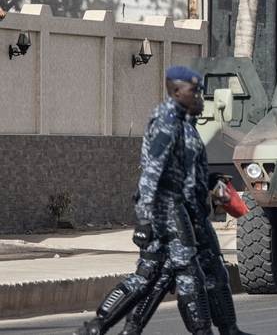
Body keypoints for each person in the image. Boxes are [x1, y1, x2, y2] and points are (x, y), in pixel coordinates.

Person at [75, 66, 214, 335]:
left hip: (174, 206)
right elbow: (152, 171)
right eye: (193, 90)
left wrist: (195, 210)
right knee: (183, 273)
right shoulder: (167, 121)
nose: (198, 95)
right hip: (164, 207)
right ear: (176, 91)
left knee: (153, 273)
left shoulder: (182, 121)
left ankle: (103, 327)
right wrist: (146, 219)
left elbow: (186, 173)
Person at [118, 91, 251, 335]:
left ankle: (229, 328)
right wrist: (159, 218)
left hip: (193, 215)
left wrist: (211, 182)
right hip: (175, 216)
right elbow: (165, 179)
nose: (201, 103)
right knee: (160, 277)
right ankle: (131, 329)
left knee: (213, 271)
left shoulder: (189, 131)